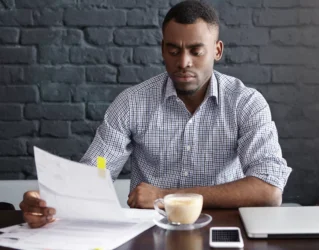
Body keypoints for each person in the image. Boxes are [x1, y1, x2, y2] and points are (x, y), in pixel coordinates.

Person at [19, 0, 292, 228]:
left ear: (217, 51)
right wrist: (47, 200)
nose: (183, 62)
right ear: (163, 49)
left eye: (196, 51)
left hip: (220, 230)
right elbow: (94, 176)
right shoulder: (132, 103)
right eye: (174, 50)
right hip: (147, 233)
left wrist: (166, 196)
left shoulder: (246, 103)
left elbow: (269, 191)